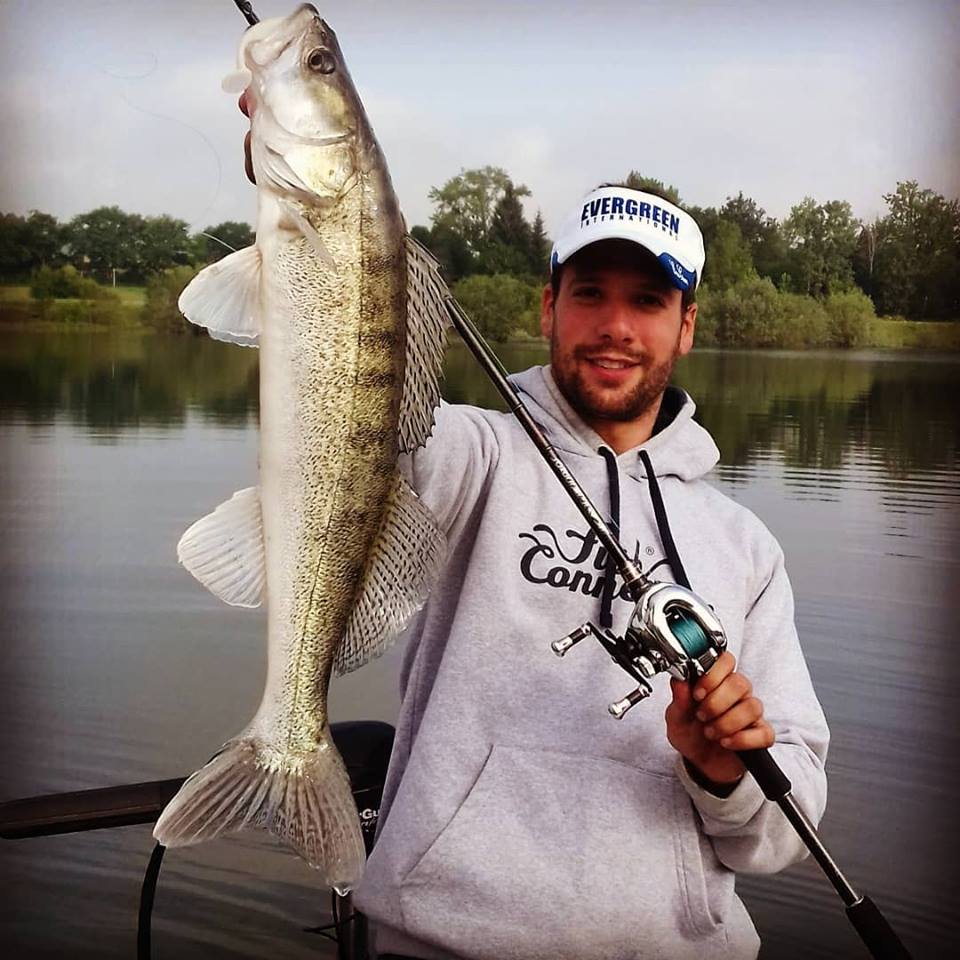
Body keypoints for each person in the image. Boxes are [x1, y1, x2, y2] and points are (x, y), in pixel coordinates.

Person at [236, 102, 829, 959]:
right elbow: (351, 407)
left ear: (687, 325)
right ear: (549, 306)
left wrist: (722, 769)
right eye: (589, 293)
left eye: (649, 300)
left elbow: (783, 835)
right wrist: (312, 202)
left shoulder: (746, 550)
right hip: (445, 939)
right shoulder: (470, 453)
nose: (616, 326)